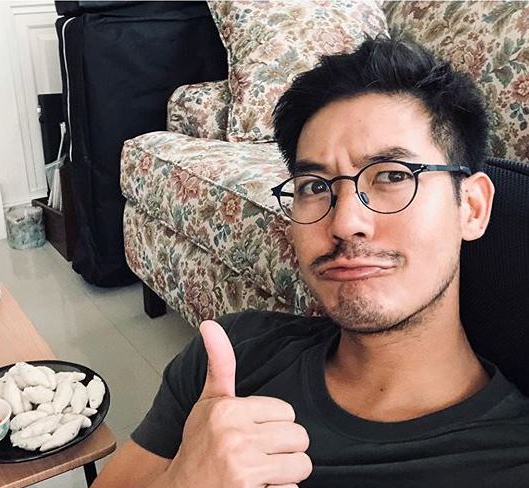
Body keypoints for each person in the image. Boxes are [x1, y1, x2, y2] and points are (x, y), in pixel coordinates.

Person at [92, 36, 529, 488]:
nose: (345, 222)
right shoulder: (232, 356)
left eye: (392, 176)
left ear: (471, 207)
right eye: (315, 187)